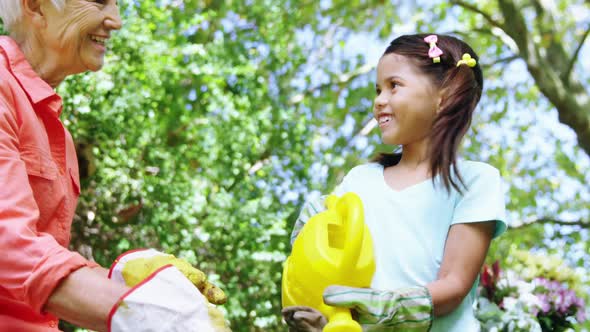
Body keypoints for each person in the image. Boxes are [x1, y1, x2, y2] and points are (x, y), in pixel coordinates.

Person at [0, 1, 227, 331]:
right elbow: (8, 245)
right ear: (36, 5)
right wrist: (141, 309)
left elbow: (36, 262)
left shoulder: (58, 137)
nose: (116, 21)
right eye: (99, 1)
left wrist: (127, 282)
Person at [282, 34, 506, 331]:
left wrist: (386, 306)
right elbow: (325, 262)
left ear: (445, 94)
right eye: (377, 90)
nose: (379, 101)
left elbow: (454, 284)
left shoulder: (475, 180)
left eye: (393, 86)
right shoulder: (359, 180)